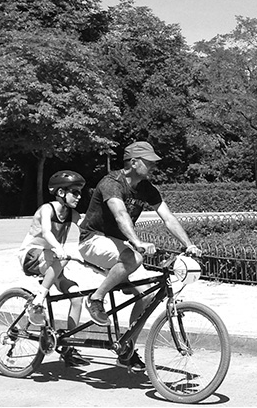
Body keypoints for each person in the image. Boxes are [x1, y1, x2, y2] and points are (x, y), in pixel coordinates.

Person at [78, 140, 201, 372]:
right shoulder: (112, 182)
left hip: (117, 244)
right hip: (92, 239)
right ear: (134, 163)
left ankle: (126, 349)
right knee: (134, 258)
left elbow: (168, 218)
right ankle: (95, 299)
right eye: (149, 162)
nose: (153, 167)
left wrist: (189, 244)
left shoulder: (146, 188)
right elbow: (120, 213)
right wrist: (137, 242)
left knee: (146, 295)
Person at [17, 169, 89, 367]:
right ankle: (38, 300)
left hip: (53, 263)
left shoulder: (72, 214)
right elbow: (47, 233)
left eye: (80, 192)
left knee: (77, 296)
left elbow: (87, 229)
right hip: (32, 256)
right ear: (60, 192)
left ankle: (68, 347)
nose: (79, 196)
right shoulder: (47, 209)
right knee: (64, 256)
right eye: (74, 192)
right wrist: (59, 248)